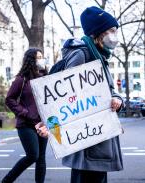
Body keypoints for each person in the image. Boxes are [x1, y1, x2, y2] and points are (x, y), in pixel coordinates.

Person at [44, 6, 123, 183]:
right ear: (98, 32)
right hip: (87, 140)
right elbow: (64, 94)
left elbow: (108, 91)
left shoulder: (100, 57)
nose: (114, 35)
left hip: (98, 136)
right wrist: (51, 122)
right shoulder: (82, 54)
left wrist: (117, 99)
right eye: (111, 30)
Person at [2, 48, 49, 183]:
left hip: (43, 124)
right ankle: (7, 180)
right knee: (33, 155)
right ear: (31, 60)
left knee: (41, 158)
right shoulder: (21, 79)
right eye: (38, 57)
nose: (41, 60)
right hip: (26, 124)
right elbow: (9, 99)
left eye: (42, 57)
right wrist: (25, 112)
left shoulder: (46, 77)